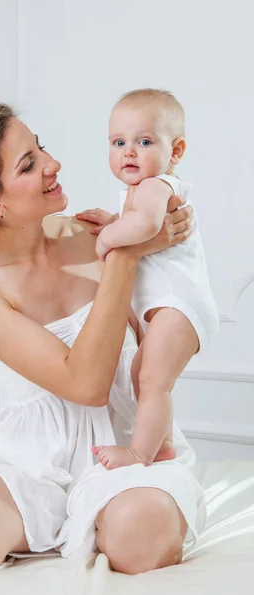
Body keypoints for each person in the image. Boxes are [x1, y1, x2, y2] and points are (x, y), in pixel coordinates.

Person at [0, 104, 205, 577]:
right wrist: (127, 254)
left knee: (139, 534)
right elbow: (84, 383)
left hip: (125, 448)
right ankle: (54, 521)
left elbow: (162, 324)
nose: (52, 163)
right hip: (31, 463)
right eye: (28, 163)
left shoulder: (91, 233)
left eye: (39, 146)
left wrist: (138, 238)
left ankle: (109, 515)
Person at [77, 89, 219, 470]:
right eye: (118, 142)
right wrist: (114, 222)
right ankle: (164, 443)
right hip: (171, 310)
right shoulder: (141, 190)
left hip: (179, 306)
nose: (129, 152)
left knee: (154, 380)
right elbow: (138, 226)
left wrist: (108, 237)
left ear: (175, 151)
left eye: (144, 142)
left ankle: (140, 453)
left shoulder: (158, 186)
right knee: (143, 375)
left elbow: (146, 225)